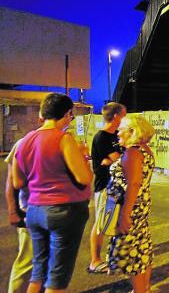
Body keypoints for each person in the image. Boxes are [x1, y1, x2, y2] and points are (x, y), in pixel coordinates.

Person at [12, 93, 93, 293]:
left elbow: (17, 181)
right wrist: (83, 155)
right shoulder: (63, 138)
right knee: (56, 279)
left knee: (38, 273)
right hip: (63, 211)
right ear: (67, 114)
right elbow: (84, 177)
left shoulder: (25, 141)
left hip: (34, 211)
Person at [107, 115, 156, 293]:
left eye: (121, 128)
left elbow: (134, 184)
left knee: (131, 252)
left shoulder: (132, 153)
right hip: (141, 205)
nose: (117, 131)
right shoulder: (144, 150)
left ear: (131, 131)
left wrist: (124, 215)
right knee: (141, 246)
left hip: (131, 208)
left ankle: (140, 290)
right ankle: (145, 288)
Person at [87, 102, 126, 274]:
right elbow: (120, 159)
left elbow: (120, 159)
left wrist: (114, 160)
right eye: (124, 114)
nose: (126, 118)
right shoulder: (101, 137)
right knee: (101, 223)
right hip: (105, 186)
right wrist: (115, 160)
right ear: (116, 116)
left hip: (118, 185)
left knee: (115, 222)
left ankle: (116, 255)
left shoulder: (117, 135)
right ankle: (94, 261)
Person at [5, 138, 33, 293]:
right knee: (26, 262)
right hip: (28, 213)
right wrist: (12, 211)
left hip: (48, 214)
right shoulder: (23, 143)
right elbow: (11, 181)